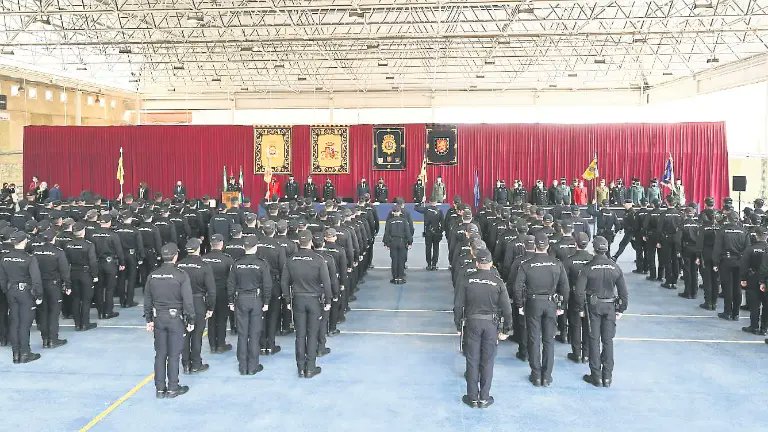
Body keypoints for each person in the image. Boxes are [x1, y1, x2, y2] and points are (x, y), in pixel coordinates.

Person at [453, 249, 512, 408]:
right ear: (491, 264)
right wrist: (506, 329)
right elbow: (507, 309)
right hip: (491, 325)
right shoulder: (498, 282)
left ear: (477, 263)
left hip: (472, 323)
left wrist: (458, 324)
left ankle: (472, 397)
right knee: (487, 360)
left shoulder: (467, 280)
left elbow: (458, 304)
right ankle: (484, 397)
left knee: (472, 359)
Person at [512, 233, 569, 387]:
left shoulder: (526, 264)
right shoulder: (557, 264)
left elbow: (517, 287)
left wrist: (520, 305)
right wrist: (561, 306)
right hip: (551, 303)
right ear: (548, 246)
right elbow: (565, 287)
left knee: (534, 338)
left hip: (533, 303)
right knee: (549, 340)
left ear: (535, 245)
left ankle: (536, 375)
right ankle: (547, 375)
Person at [574, 236, 628, 388]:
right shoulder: (615, 267)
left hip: (593, 307)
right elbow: (623, 292)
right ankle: (607, 377)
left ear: (594, 249)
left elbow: (579, 292)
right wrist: (621, 309)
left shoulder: (587, 268)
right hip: (610, 306)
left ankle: (596, 376)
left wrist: (580, 309)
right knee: (608, 341)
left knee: (594, 340)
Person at [144, 243, 194, 398]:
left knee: (160, 354)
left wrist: (149, 319)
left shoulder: (153, 275)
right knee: (173, 354)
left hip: (159, 318)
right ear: (175, 256)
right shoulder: (181, 275)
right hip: (175, 319)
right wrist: (190, 319)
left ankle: (160, 389)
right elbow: (188, 301)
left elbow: (147, 300)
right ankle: (173, 387)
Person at [281, 230, 332, 378]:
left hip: (297, 299)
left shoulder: (291, 259)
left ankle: (300, 367)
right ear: (310, 242)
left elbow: (285, 282)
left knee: (300, 335)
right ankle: (310, 367)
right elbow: (326, 282)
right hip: (314, 300)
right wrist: (328, 301)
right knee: (312, 333)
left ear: (298, 242)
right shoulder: (318, 259)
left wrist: (287, 299)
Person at [227, 236, 272, 375]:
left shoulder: (237, 264)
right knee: (254, 333)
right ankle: (252, 366)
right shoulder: (261, 263)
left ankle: (242, 366)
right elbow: (267, 285)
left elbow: (230, 284)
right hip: (255, 299)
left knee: (242, 333)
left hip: (240, 299)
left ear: (244, 247)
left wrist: (230, 301)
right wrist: (266, 302)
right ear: (256, 247)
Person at [0, 232, 43, 364]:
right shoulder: (29, 258)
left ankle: (16, 354)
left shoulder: (5, 258)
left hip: (11, 291)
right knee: (25, 323)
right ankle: (25, 352)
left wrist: (6, 290)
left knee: (14, 322)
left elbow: (2, 278)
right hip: (25, 293)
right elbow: (36, 279)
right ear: (24, 241)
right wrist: (39, 295)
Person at [177, 238, 216, 374]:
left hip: (182, 303)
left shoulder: (179, 265)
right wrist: (210, 308)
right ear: (199, 249)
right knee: (197, 335)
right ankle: (196, 363)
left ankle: (185, 364)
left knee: (184, 334)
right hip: (198, 302)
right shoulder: (204, 266)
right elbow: (211, 290)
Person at [31, 229, 70, 349]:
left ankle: (45, 339)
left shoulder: (35, 252)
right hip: (53, 286)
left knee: (42, 312)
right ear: (54, 239)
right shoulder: (58, 252)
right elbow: (64, 271)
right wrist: (68, 285)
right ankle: (53, 339)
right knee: (54, 313)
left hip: (40, 285)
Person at [256, 220, 287, 355]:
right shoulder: (278, 247)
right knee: (273, 314)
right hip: (274, 284)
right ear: (274, 231)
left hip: (258, 284)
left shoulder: (256, 245)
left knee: (260, 314)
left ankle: (261, 344)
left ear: (263, 231)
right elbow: (283, 268)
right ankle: (270, 344)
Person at [713, 211, 750, 321]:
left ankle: (727, 312)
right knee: (738, 288)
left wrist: (715, 262)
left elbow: (717, 248)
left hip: (726, 261)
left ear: (728, 219)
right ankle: (736, 313)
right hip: (740, 261)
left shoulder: (723, 231)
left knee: (727, 287)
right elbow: (747, 249)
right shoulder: (744, 231)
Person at [562, 232, 593, 364]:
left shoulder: (569, 260)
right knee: (588, 325)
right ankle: (586, 353)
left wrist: (564, 299)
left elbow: (564, 282)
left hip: (574, 296)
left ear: (575, 244)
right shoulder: (592, 259)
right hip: (590, 297)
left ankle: (577, 353)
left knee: (575, 325)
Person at [201, 234, 234, 353]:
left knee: (210, 318)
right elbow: (231, 278)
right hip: (222, 292)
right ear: (222, 244)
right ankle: (220, 344)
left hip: (207, 292)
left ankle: (212, 345)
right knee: (222, 318)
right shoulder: (227, 259)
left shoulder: (203, 259)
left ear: (211, 244)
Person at [63, 222, 98, 331]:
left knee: (75, 299)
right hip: (85, 273)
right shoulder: (89, 245)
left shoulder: (67, 245)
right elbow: (93, 262)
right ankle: (85, 323)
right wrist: (95, 275)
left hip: (73, 273)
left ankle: (77, 324)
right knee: (86, 299)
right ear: (83, 231)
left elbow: (65, 262)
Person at [89, 214, 125, 320]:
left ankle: (100, 312)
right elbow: (119, 251)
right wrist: (122, 263)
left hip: (96, 263)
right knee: (110, 289)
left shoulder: (92, 234)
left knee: (99, 288)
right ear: (109, 223)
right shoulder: (113, 235)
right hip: (110, 263)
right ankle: (108, 311)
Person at [114, 211, 145, 308]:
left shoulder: (117, 230)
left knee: (121, 278)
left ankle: (122, 300)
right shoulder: (135, 230)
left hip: (120, 255)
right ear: (130, 218)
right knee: (131, 278)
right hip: (131, 255)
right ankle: (129, 301)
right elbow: (140, 246)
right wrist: (141, 257)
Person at [742, 227, 768, 335]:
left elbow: (744, 264)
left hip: (753, 277)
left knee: (754, 304)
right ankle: (764, 328)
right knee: (766, 305)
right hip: (766, 279)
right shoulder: (766, 248)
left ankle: (754, 326)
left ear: (756, 236)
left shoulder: (750, 249)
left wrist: (743, 278)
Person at [657, 195, 683, 290]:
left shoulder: (663, 214)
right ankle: (674, 281)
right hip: (677, 239)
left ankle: (668, 281)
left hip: (666, 239)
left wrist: (658, 241)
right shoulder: (680, 214)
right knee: (676, 260)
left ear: (667, 202)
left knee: (667, 260)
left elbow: (659, 229)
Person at [383, 204, 413, 284]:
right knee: (401, 259)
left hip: (393, 242)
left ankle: (395, 277)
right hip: (402, 242)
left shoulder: (389, 221)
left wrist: (386, 243)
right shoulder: (404, 221)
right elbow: (408, 233)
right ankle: (400, 277)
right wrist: (410, 242)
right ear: (400, 212)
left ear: (392, 212)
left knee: (394, 260)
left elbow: (386, 233)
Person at [415, 196, 444, 271]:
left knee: (428, 248)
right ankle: (434, 265)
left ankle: (429, 264)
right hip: (436, 232)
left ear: (429, 202)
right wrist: (440, 232)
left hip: (428, 232)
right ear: (436, 202)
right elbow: (443, 223)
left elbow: (416, 208)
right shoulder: (439, 211)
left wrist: (421, 201)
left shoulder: (426, 209)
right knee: (436, 248)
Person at [679, 206, 701, 299]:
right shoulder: (697, 225)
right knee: (694, 271)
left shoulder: (682, 224)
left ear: (685, 213)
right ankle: (694, 292)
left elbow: (678, 239)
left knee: (687, 271)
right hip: (695, 249)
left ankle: (687, 292)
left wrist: (678, 250)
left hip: (686, 248)